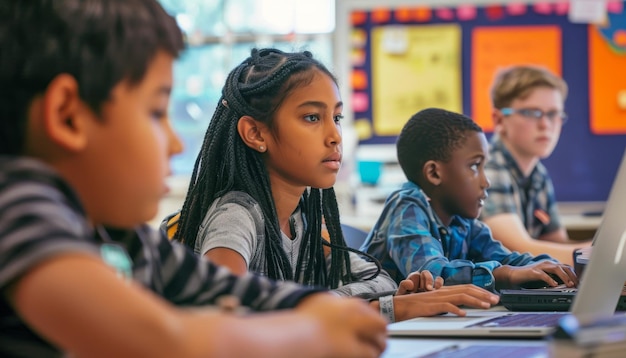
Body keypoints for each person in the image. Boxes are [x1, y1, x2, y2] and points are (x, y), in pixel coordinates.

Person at [0, 1, 390, 357]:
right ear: (68, 116)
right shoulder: (17, 211)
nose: (172, 142)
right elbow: (166, 341)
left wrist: (315, 307)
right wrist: (314, 332)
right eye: (156, 112)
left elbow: (233, 290)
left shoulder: (124, 237)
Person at [170, 48, 500, 323]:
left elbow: (380, 280)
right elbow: (226, 311)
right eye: (312, 118)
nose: (334, 136)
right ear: (256, 134)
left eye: (337, 117)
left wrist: (380, 300)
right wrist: (373, 306)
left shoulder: (303, 220)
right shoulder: (236, 216)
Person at [361, 107, 578, 292]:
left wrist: (550, 269)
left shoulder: (462, 221)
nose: (486, 182)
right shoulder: (406, 207)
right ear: (434, 173)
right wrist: (507, 274)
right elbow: (433, 273)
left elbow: (508, 260)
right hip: (381, 329)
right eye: (475, 166)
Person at [479, 66, 591, 265]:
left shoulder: (537, 174)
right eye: (532, 113)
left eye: (553, 114)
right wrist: (597, 254)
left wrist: (598, 249)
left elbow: (557, 243)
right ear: (499, 119)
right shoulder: (488, 169)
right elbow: (519, 250)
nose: (546, 125)